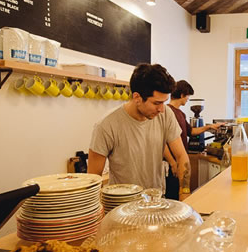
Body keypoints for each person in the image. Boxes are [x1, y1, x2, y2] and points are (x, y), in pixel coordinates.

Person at [87, 64, 190, 194]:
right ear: (137, 98)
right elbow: (93, 178)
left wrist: (184, 191)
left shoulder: (166, 114)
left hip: (156, 201)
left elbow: (181, 156)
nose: (162, 109)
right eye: (156, 103)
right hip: (121, 207)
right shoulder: (106, 125)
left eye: (164, 102)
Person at [163, 80, 222, 200]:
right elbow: (162, 141)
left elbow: (191, 132)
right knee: (172, 196)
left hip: (180, 162)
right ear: (182, 95)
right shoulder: (166, 112)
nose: (188, 99)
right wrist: (172, 162)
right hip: (170, 164)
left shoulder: (180, 114)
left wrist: (209, 127)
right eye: (188, 96)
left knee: (180, 195)